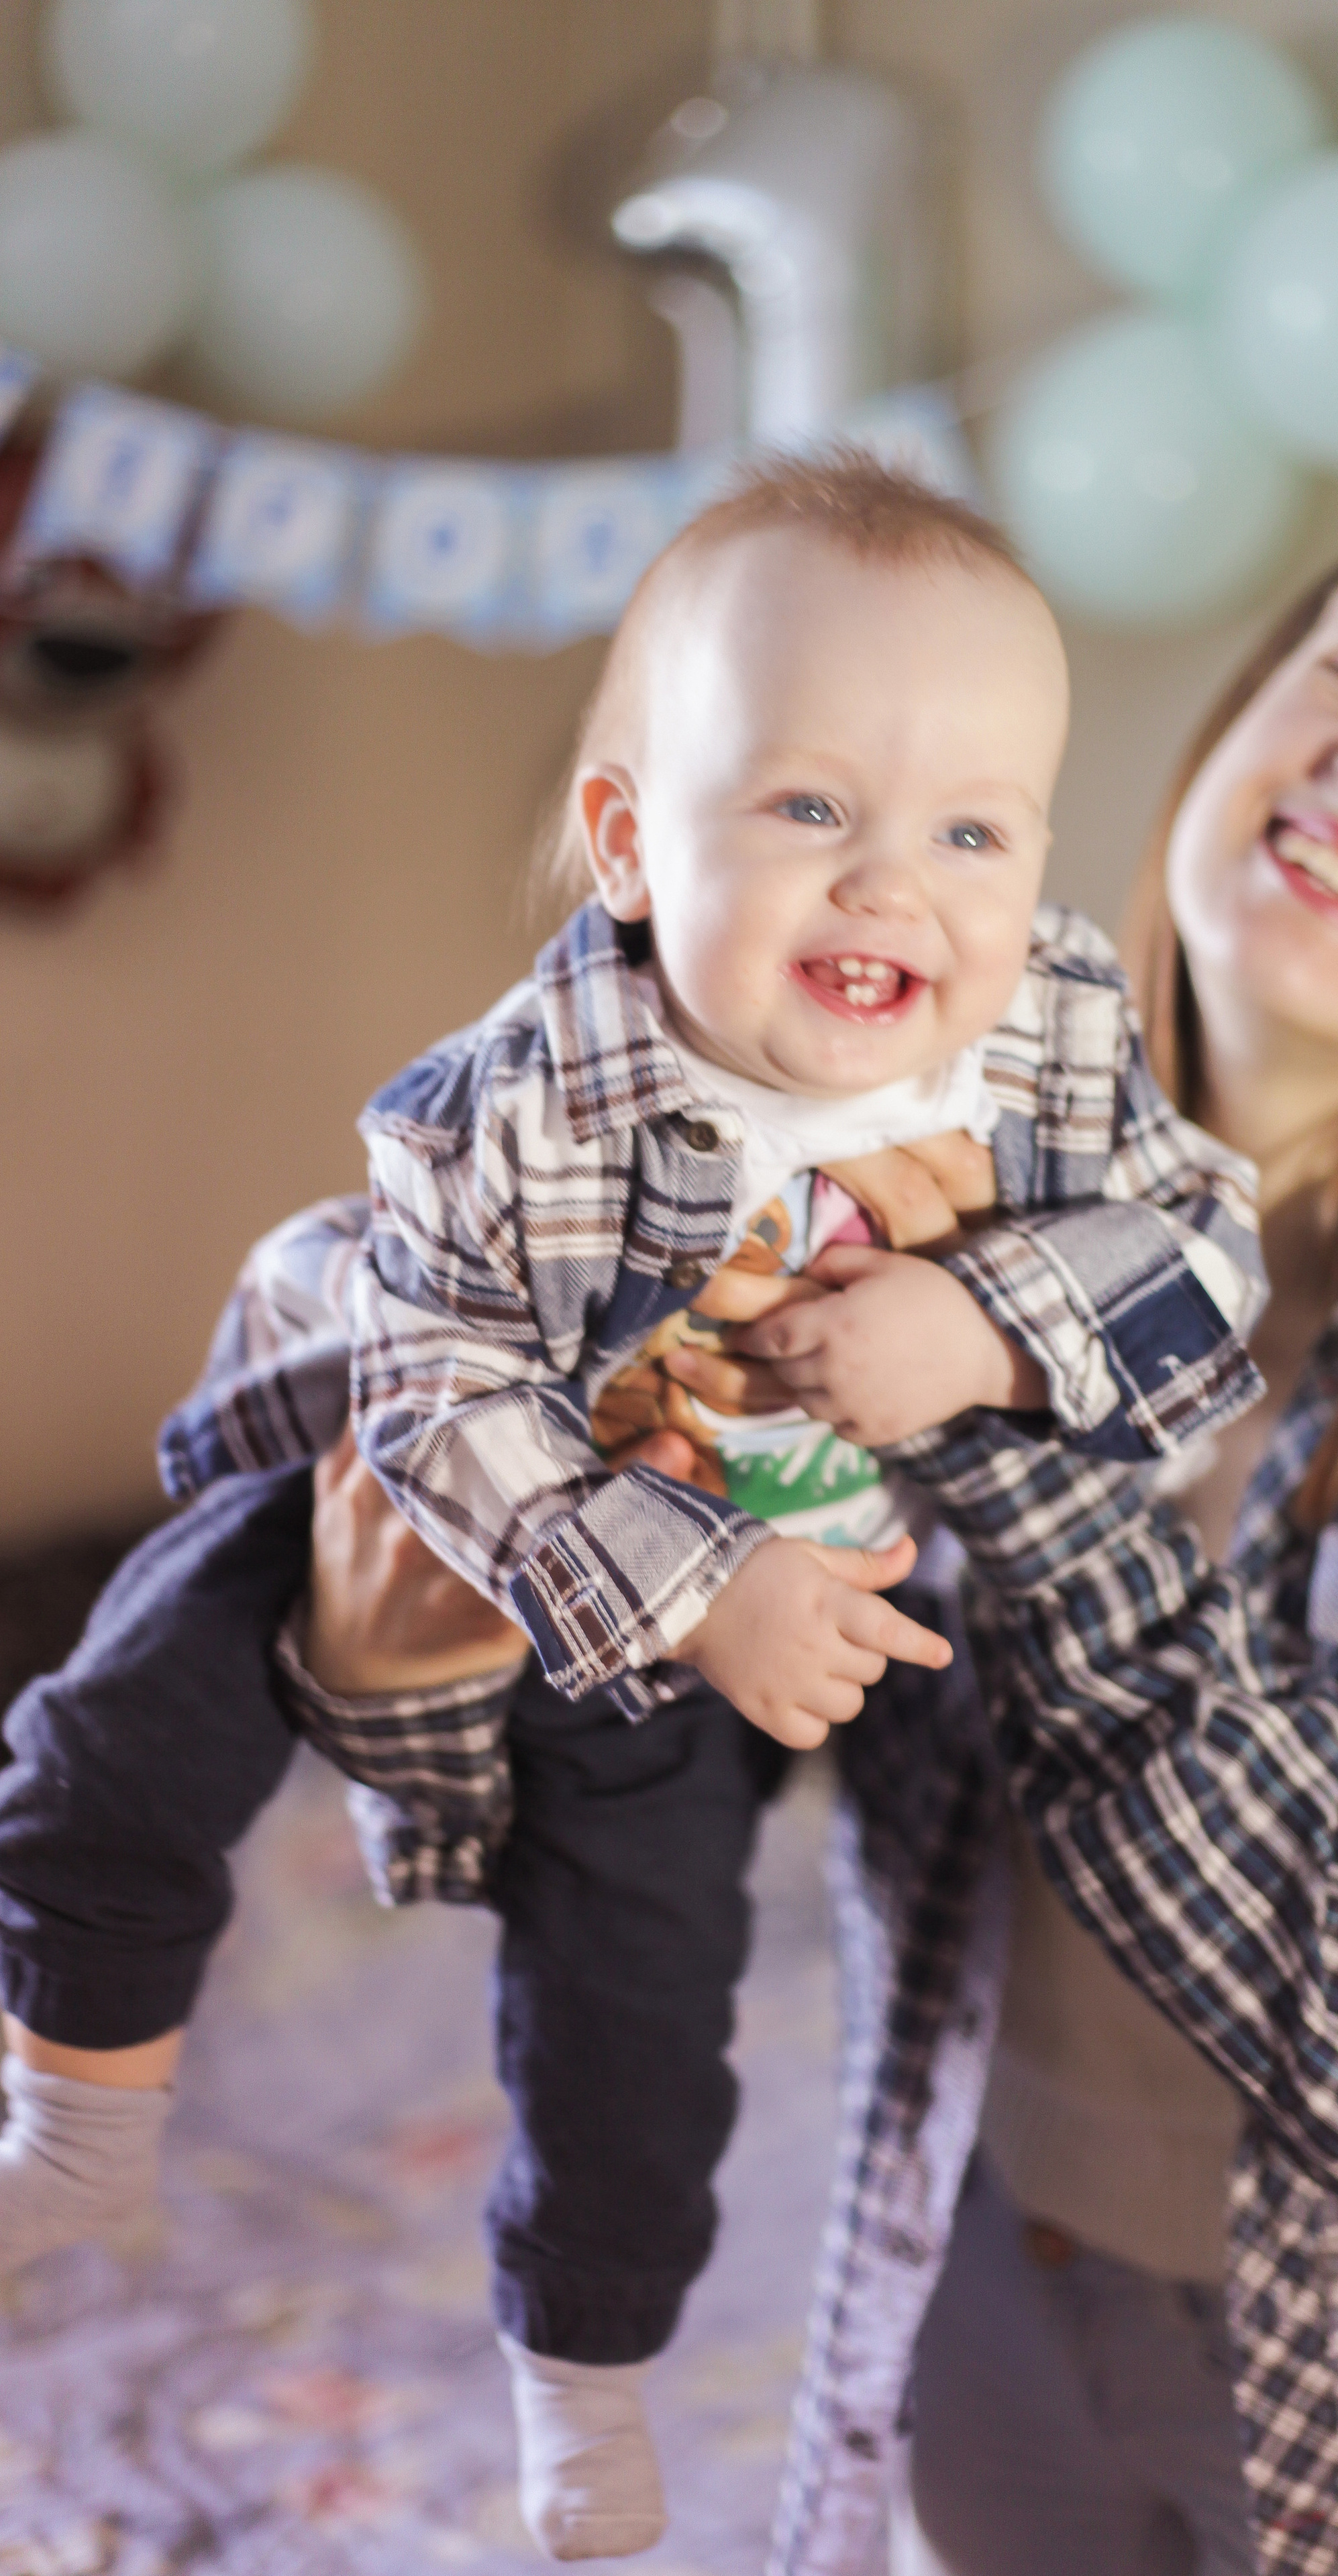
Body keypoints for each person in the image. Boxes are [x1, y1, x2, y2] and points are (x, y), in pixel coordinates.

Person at [315, 492, 1338, 2573]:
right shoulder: (829, 1156)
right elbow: (660, 1790)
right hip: (962, 2247)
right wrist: (410, 1662)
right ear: (1234, 736)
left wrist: (992, 1380)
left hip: (1337, 2362)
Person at [0, 455, 1262, 2563]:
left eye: (972, 828)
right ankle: (76, 2109)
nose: (894, 888)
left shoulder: (1042, 1041)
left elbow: (1209, 1267)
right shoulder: (526, 1091)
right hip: (409, 1485)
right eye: (809, 807)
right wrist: (700, 1592)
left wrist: (979, 1316)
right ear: (628, 843)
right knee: (106, 1737)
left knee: (638, 2031)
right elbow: (435, 1392)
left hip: (723, 1601)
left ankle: (580, 2377)